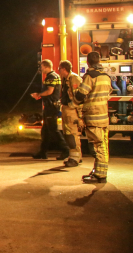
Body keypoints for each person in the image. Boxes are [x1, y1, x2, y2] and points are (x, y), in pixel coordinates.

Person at [74, 51, 112, 183]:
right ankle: (97, 171)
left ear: (88, 62)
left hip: (93, 116)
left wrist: (76, 94)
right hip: (103, 116)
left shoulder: (90, 76)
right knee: (103, 144)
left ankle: (100, 175)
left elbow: (80, 95)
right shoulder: (106, 76)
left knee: (97, 146)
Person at [30, 59, 70, 160]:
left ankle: (66, 150)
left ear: (46, 66)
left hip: (51, 107)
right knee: (45, 131)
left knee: (53, 130)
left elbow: (49, 91)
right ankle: (43, 152)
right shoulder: (55, 76)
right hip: (50, 106)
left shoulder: (51, 77)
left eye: (42, 66)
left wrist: (38, 95)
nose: (41, 69)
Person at [58, 60, 83, 167]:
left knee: (72, 134)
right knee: (68, 133)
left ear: (64, 69)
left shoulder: (74, 78)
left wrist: (80, 115)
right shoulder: (65, 79)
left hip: (72, 110)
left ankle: (75, 158)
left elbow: (80, 97)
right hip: (66, 109)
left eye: (59, 69)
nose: (58, 71)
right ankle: (75, 156)